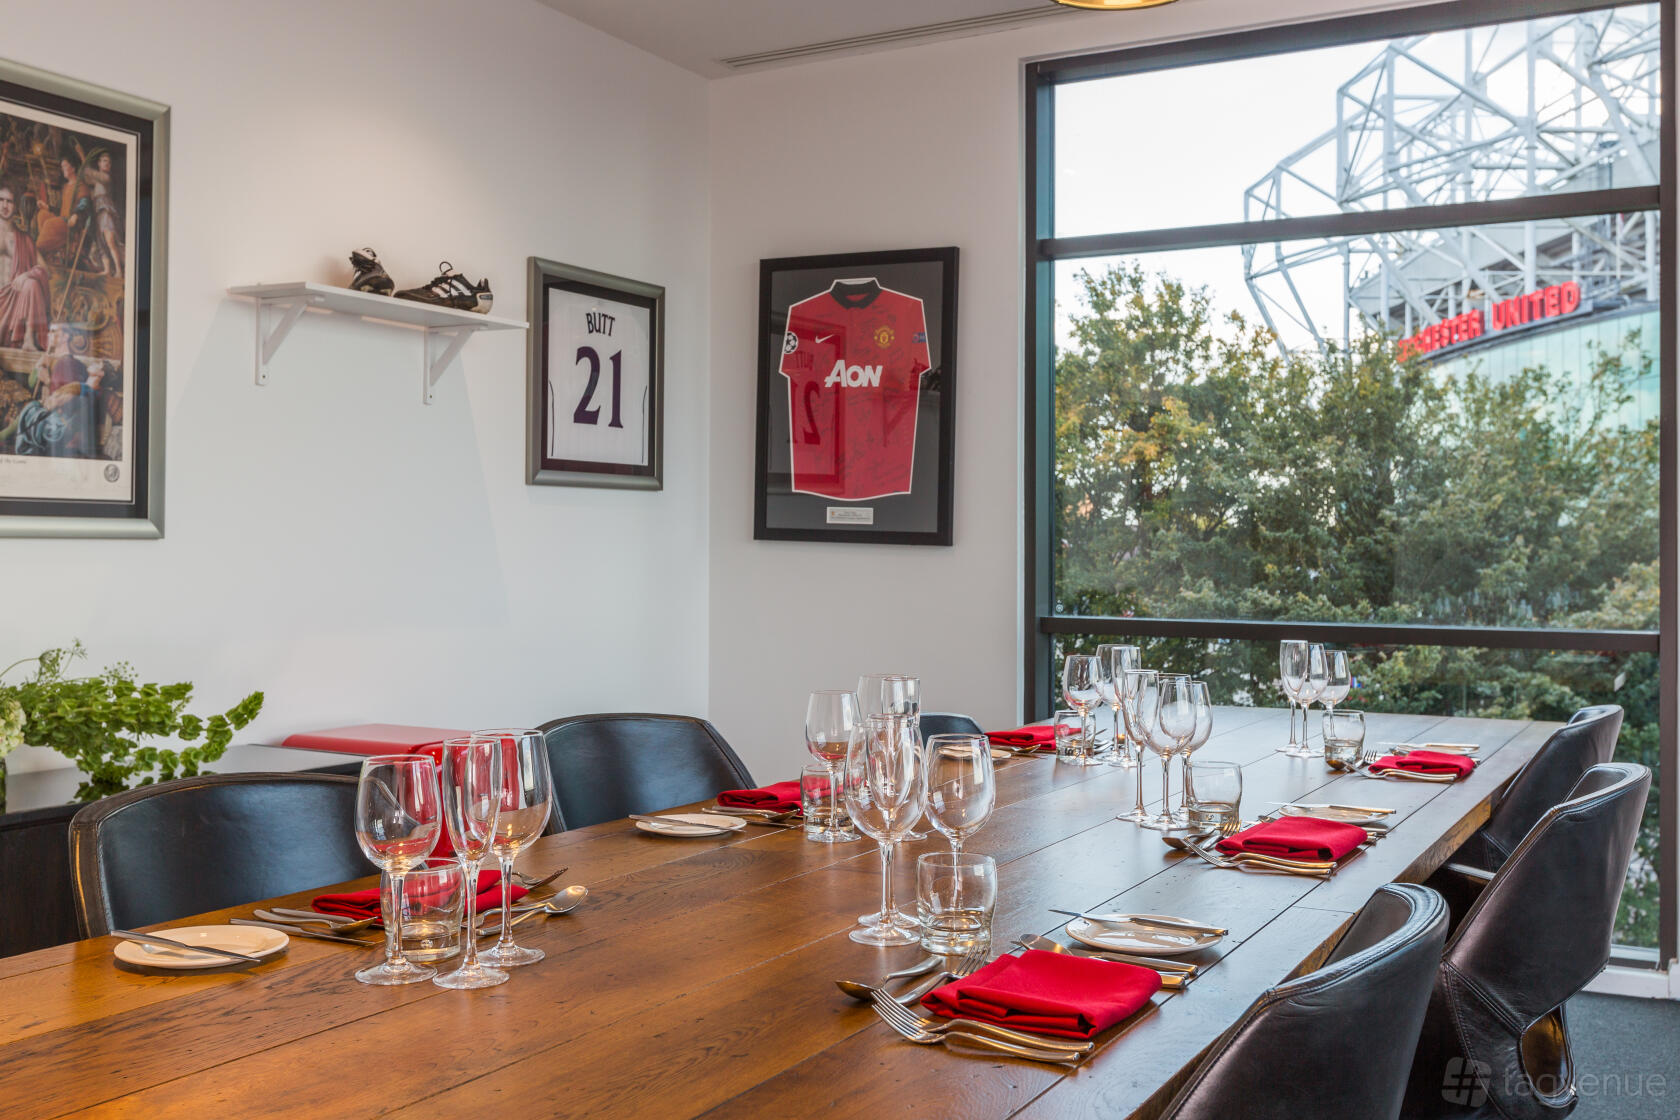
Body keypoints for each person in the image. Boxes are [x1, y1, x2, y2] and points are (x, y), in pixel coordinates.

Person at [0, 186, 49, 350]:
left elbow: (45, 270)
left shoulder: (24, 239)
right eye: (1, 200)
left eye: (9, 201)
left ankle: (28, 339)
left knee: (32, 283)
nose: (5, 205)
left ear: (15, 206)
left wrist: (26, 274)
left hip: (16, 299)